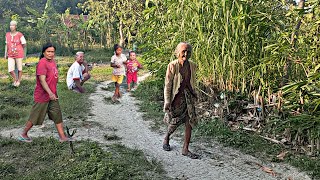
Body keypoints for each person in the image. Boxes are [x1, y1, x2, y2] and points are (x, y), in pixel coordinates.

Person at [18, 43, 73, 143]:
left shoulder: (53, 62)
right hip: (42, 95)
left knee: (57, 114)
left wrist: (53, 93)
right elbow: (42, 80)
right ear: (43, 52)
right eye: (48, 51)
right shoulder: (42, 63)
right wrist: (50, 93)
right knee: (35, 116)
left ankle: (62, 136)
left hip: (53, 95)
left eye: (52, 52)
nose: (51, 54)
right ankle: (24, 134)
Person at [162, 42, 199, 159]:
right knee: (175, 122)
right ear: (177, 52)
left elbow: (192, 81)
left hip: (188, 97)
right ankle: (167, 137)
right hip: (177, 98)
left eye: (188, 51)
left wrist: (194, 93)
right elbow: (168, 85)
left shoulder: (192, 65)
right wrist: (167, 101)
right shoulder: (172, 66)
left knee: (190, 120)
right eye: (183, 51)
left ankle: (185, 148)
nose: (186, 54)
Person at [4, 20, 27, 87]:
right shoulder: (7, 34)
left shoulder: (20, 34)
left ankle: (18, 81)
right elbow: (6, 44)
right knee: (10, 69)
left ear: (15, 26)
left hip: (19, 54)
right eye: (10, 25)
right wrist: (5, 53)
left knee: (20, 68)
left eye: (13, 25)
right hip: (10, 54)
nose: (11, 26)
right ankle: (16, 80)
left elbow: (24, 44)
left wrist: (23, 53)